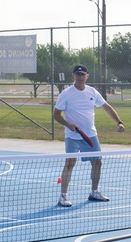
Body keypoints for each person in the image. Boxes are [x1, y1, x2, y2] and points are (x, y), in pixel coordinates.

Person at [52, 64, 126, 207]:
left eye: (82, 75)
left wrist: (119, 122)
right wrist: (69, 125)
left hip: (90, 135)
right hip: (72, 136)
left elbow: (106, 107)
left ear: (87, 76)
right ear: (73, 76)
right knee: (70, 163)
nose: (80, 77)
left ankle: (94, 192)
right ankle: (63, 196)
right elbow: (56, 115)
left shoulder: (92, 92)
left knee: (97, 162)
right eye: (77, 75)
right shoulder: (66, 94)